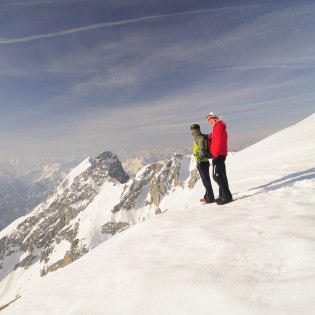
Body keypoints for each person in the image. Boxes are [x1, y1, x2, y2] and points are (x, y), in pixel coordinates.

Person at [207, 113, 233, 205]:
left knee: (216, 176)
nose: (210, 122)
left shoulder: (218, 128)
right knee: (221, 175)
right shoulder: (218, 127)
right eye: (209, 121)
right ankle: (223, 195)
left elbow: (219, 141)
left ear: (215, 119)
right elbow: (217, 139)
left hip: (218, 155)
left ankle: (227, 197)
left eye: (211, 120)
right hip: (221, 153)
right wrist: (211, 136)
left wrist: (215, 154)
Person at [190, 123, 215, 204]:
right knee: (205, 180)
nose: (191, 130)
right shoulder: (198, 137)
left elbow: (202, 149)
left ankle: (210, 198)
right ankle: (207, 196)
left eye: (192, 129)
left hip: (202, 162)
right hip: (203, 161)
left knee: (206, 180)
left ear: (196, 129)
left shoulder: (199, 138)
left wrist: (198, 158)